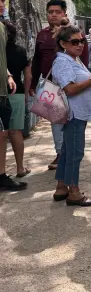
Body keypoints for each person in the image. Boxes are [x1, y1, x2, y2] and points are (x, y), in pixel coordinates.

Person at [31, 0, 89, 170]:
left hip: (72, 85)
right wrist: (33, 84)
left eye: (57, 11)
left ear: (65, 13)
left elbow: (83, 60)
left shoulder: (75, 33)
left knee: (73, 120)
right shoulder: (42, 35)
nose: (54, 15)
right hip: (51, 86)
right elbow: (36, 60)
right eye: (50, 12)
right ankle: (60, 154)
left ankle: (71, 153)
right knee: (56, 120)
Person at [51, 18, 91, 207]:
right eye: (75, 42)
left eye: (82, 41)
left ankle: (61, 187)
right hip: (73, 114)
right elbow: (69, 89)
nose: (80, 45)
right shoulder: (62, 62)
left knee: (67, 150)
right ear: (63, 44)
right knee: (75, 153)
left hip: (76, 113)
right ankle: (74, 192)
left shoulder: (72, 59)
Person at [0, 0, 27, 191]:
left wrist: (8, 75)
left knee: (3, 133)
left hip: (5, 91)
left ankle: (3, 174)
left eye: (3, 1)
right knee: (9, 132)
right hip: (10, 93)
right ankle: (13, 169)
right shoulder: (19, 50)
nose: (2, 4)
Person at [2, 21, 32, 179]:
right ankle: (20, 168)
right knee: (15, 131)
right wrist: (26, 94)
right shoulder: (21, 51)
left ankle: (2, 171)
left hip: (2, 93)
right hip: (17, 94)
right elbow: (28, 75)